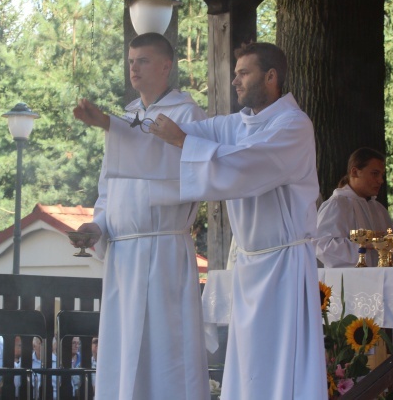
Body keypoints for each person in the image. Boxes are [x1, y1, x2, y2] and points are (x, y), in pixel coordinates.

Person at [83, 42, 326, 399]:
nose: (235, 81)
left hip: (283, 265)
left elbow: (248, 165)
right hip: (250, 264)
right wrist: (109, 123)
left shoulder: (293, 125)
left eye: (244, 73)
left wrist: (183, 140)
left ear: (271, 77)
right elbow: (169, 140)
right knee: (248, 367)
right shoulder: (239, 125)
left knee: (281, 362)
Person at [72, 32, 210, 399]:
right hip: (123, 257)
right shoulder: (126, 116)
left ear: (166, 66)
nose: (134, 68)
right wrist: (97, 225)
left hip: (163, 250)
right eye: (131, 61)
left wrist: (108, 124)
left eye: (143, 61)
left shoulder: (187, 115)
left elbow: (172, 162)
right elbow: (109, 187)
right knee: (121, 352)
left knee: (165, 354)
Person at [316, 147, 393, 268]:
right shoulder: (337, 204)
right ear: (355, 172)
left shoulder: (379, 209)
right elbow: (322, 246)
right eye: (375, 174)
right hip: (348, 281)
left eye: (381, 175)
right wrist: (363, 245)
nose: (381, 180)